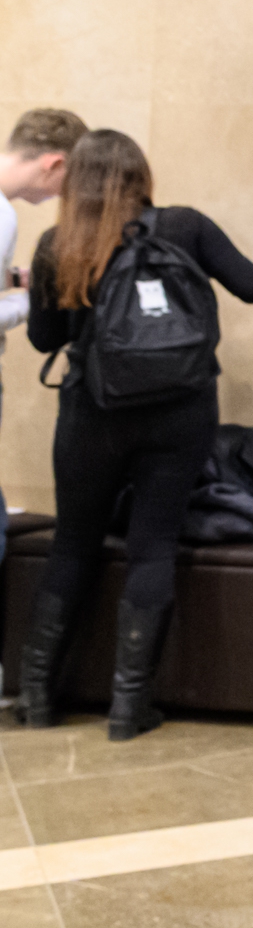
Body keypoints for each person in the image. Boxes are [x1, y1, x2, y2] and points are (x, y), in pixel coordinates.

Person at [16, 131, 253, 740]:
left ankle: (36, 698)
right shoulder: (184, 226)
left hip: (92, 413)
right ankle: (129, 708)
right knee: (152, 547)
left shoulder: (58, 243)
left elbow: (45, 339)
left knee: (72, 544)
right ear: (142, 175)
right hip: (180, 412)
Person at [0, 110, 84, 601]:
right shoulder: (3, 215)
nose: (60, 197)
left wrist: (13, 279)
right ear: (53, 164)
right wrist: (38, 299)